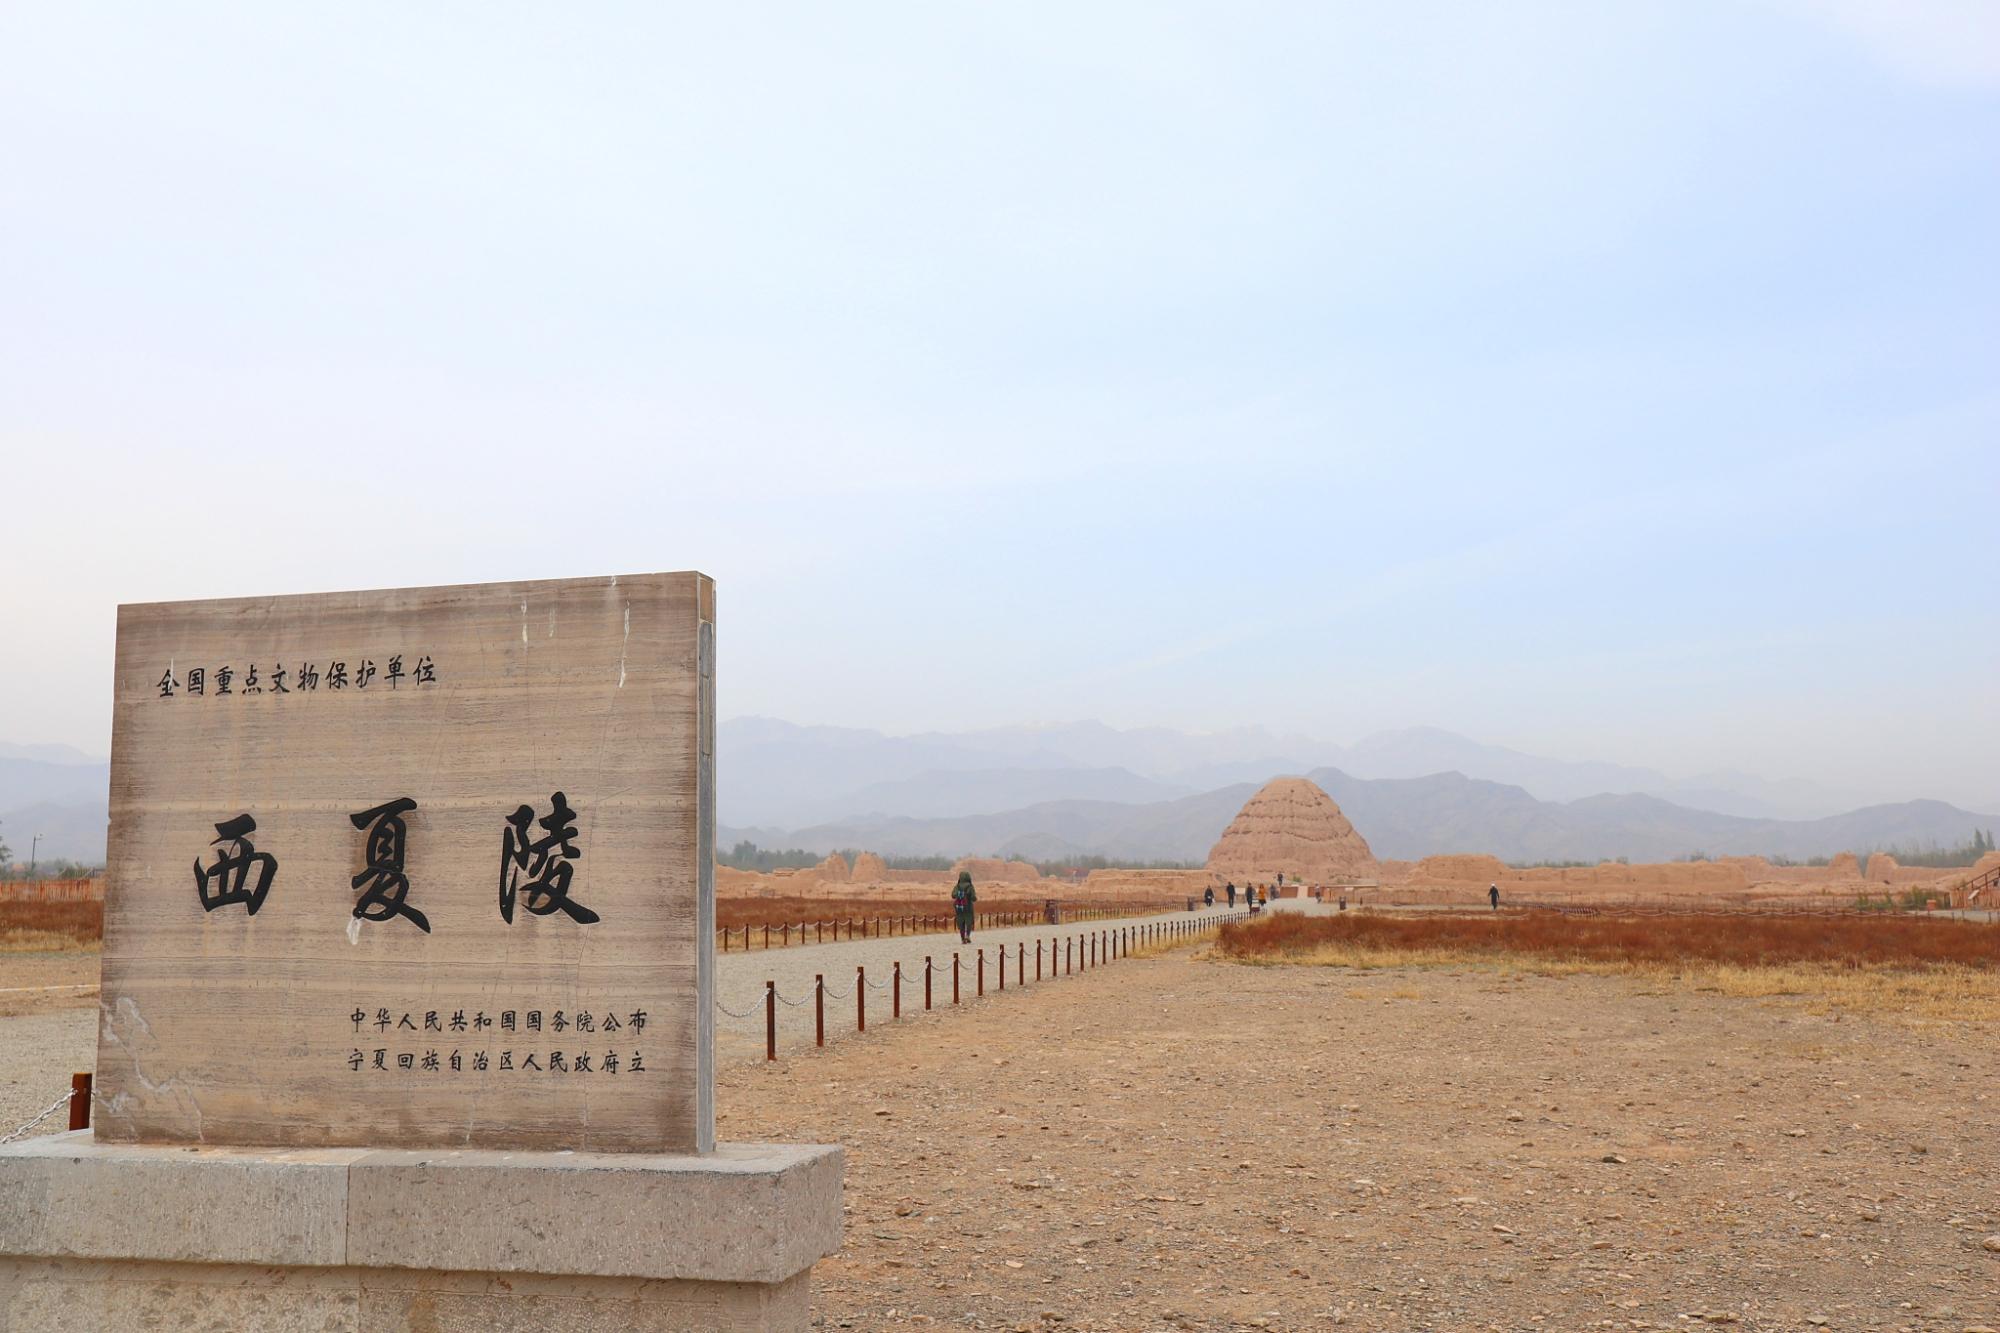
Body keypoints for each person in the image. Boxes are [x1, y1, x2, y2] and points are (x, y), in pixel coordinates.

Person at [952, 871, 977, 943]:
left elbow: (953, 895)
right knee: (968, 921)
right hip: (968, 907)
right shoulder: (970, 886)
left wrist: (959, 895)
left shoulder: (957, 886)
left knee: (961, 922)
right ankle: (967, 936)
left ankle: (963, 938)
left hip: (959, 907)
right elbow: (973, 897)